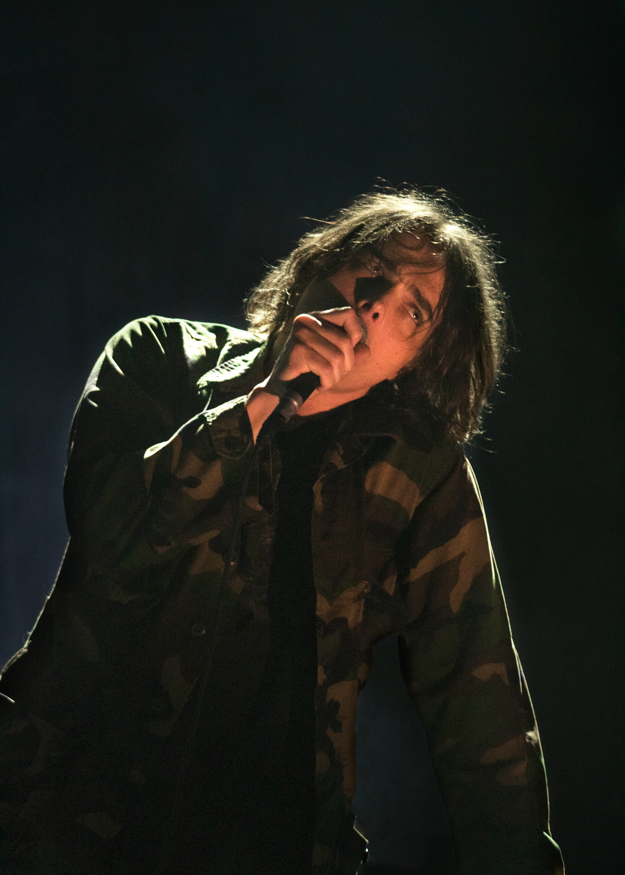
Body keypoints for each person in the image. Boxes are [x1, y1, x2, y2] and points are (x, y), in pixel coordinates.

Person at [0, 189, 565, 874]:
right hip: (68, 817)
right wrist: (263, 402)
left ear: (416, 361)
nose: (377, 301)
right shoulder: (158, 356)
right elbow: (112, 539)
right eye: (373, 267)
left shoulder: (418, 472)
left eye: (412, 311)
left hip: (272, 841)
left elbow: (478, 707)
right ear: (322, 264)